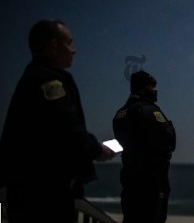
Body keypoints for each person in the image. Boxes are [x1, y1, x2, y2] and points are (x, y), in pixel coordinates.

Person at [0, 19, 115, 223]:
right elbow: (67, 127)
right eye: (69, 43)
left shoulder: (32, 76)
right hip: (43, 194)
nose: (74, 50)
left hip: (29, 191)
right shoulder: (48, 80)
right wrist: (98, 150)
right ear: (53, 46)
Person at [113, 70, 176, 223]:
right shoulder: (149, 110)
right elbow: (169, 140)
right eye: (153, 86)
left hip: (130, 176)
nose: (156, 90)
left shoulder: (121, 113)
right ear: (142, 88)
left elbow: (122, 141)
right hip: (151, 179)